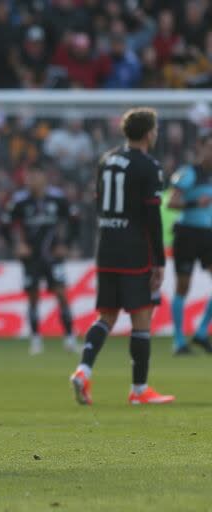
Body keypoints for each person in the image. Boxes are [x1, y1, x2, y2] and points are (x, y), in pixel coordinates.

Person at [70, 107, 174, 406]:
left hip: (107, 246)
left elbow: (98, 201)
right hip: (134, 249)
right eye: (154, 129)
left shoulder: (107, 159)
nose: (156, 134)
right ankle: (139, 390)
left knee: (106, 316)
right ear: (148, 132)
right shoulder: (148, 166)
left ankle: (83, 370)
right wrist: (159, 260)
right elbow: (153, 217)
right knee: (142, 318)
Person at [0, 167, 80, 355]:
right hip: (31, 257)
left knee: (61, 294)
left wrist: (66, 244)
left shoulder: (57, 198)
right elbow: (4, 225)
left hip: (53, 255)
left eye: (35, 177)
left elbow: (75, 221)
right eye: (29, 177)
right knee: (33, 297)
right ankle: (35, 340)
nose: (31, 181)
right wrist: (16, 245)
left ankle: (69, 339)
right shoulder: (19, 201)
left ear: (44, 178)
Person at [166, 133, 212, 355]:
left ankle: (202, 332)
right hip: (187, 234)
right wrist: (195, 202)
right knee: (183, 286)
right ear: (201, 148)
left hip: (209, 234)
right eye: (210, 147)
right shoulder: (189, 173)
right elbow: (172, 202)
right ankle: (178, 340)